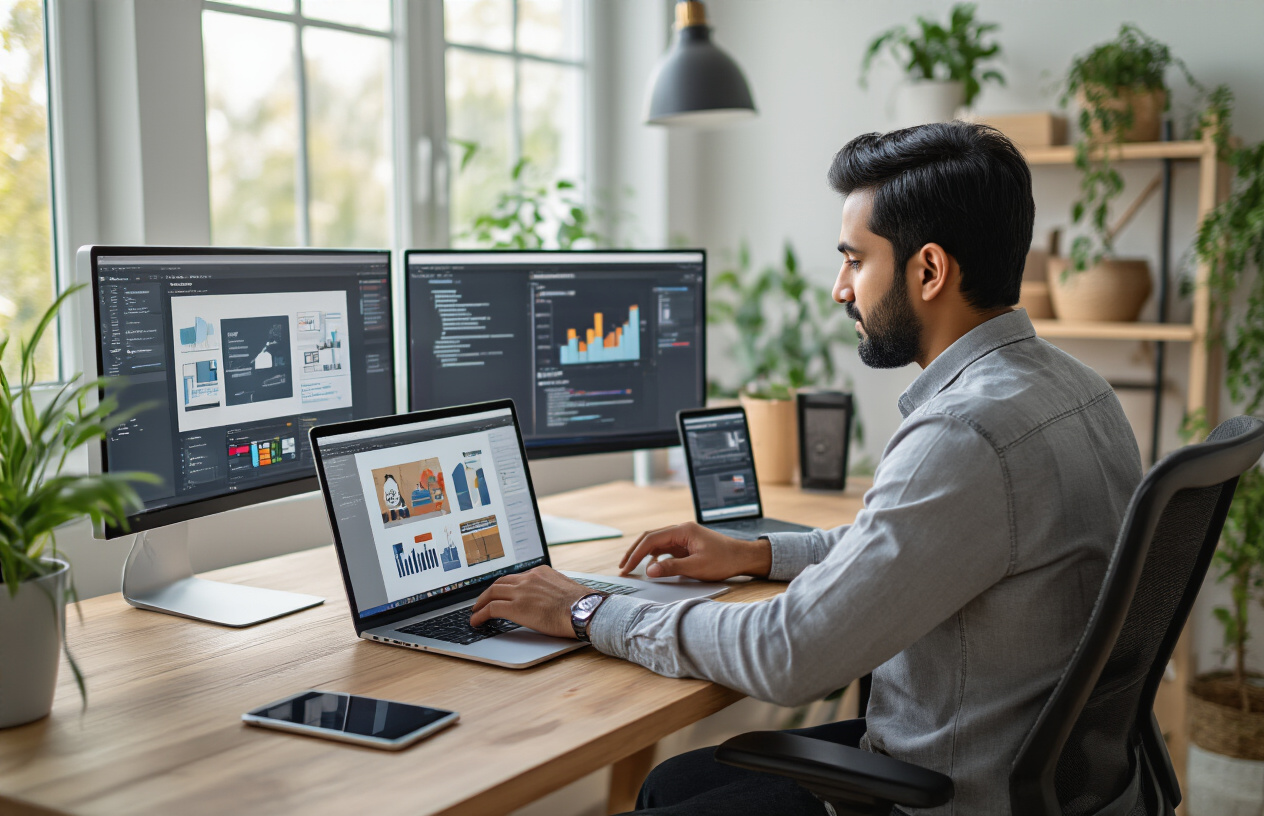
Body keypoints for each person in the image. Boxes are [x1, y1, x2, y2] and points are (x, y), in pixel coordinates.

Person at [469, 122, 1142, 815]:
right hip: (1037, 773)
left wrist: (585, 609)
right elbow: (905, 546)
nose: (839, 289)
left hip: (950, 793)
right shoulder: (1077, 389)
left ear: (929, 270)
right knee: (671, 784)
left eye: (854, 260)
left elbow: (789, 653)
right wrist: (757, 553)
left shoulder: (965, 433)